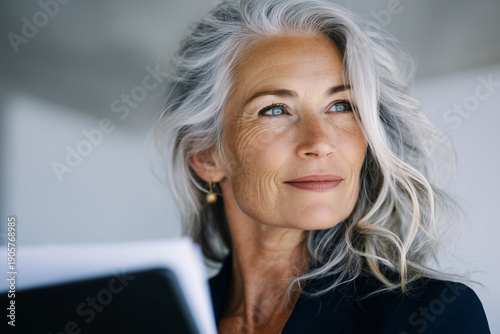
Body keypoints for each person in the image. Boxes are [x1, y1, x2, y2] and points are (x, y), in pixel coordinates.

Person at [155, 0, 490, 333]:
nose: (320, 142)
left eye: (341, 105)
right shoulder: (155, 320)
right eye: (275, 110)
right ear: (205, 156)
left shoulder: (432, 315)